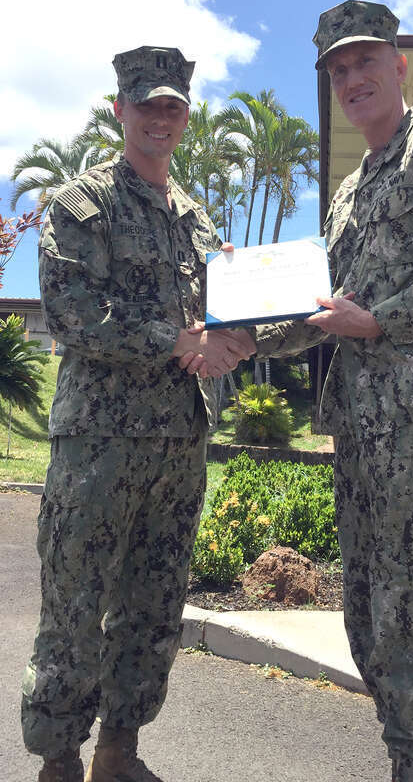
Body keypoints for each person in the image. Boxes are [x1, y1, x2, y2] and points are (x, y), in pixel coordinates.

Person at [183, 0, 413, 782]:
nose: (350, 78)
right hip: (362, 441)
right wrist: (237, 324)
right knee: (369, 627)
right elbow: (317, 311)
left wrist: (382, 321)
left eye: (363, 60)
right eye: (336, 69)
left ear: (397, 65)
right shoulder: (348, 192)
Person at [22, 45, 255, 782]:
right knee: (74, 604)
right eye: (146, 103)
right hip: (99, 443)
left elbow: (231, 317)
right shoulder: (79, 204)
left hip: (177, 445)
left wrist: (253, 332)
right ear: (118, 109)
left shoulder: (198, 221)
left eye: (173, 105)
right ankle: (59, 758)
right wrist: (177, 339)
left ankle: (117, 749)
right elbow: (72, 312)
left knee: (153, 609)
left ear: (184, 117)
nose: (160, 116)